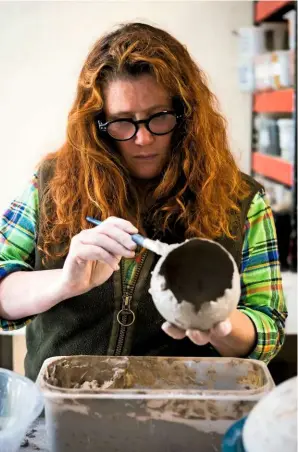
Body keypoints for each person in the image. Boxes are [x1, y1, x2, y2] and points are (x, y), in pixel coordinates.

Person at [0, 22, 287, 381]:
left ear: (185, 114)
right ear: (97, 122)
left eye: (159, 117)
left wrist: (221, 324)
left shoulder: (240, 200)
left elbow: (269, 328)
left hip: (183, 409)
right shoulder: (54, 182)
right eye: (122, 122)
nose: (142, 138)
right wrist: (64, 283)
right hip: (64, 405)